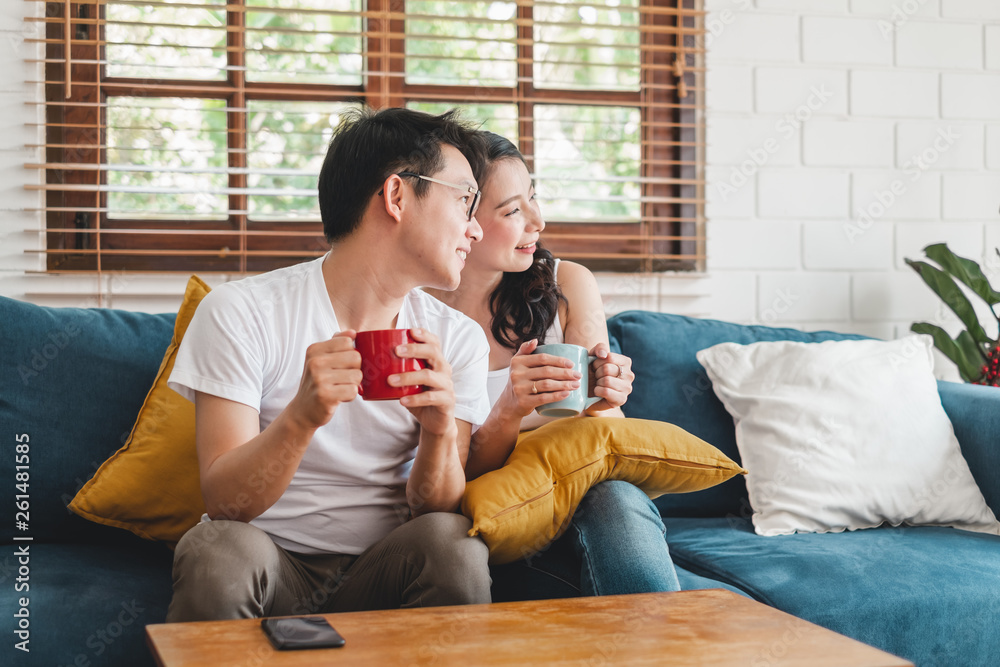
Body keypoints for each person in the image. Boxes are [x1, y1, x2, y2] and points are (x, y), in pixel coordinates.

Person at [165, 107, 495, 621]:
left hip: (385, 569)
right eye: (465, 200)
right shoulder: (242, 311)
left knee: (453, 542)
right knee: (218, 548)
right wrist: (301, 417)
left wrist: (437, 431)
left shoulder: (457, 340)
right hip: (270, 562)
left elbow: (437, 512)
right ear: (397, 196)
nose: (475, 229)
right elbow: (227, 505)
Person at [426, 131, 681, 596]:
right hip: (477, 516)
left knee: (617, 499)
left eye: (534, 198)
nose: (538, 222)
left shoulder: (567, 283)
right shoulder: (419, 314)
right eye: (513, 211)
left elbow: (601, 430)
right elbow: (445, 483)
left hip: (574, 506)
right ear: (464, 219)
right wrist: (510, 412)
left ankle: (660, 644)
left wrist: (608, 393)